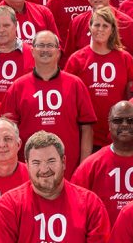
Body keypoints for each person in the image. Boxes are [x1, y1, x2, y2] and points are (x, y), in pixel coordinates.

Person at [6, 30, 96, 161]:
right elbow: (9, 130)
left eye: (50, 46)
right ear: (32, 51)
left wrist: (83, 165)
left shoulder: (75, 84)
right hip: (29, 167)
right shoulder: (17, 87)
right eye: (40, 45)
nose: (45, 50)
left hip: (68, 167)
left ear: (58, 52)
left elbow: (87, 128)